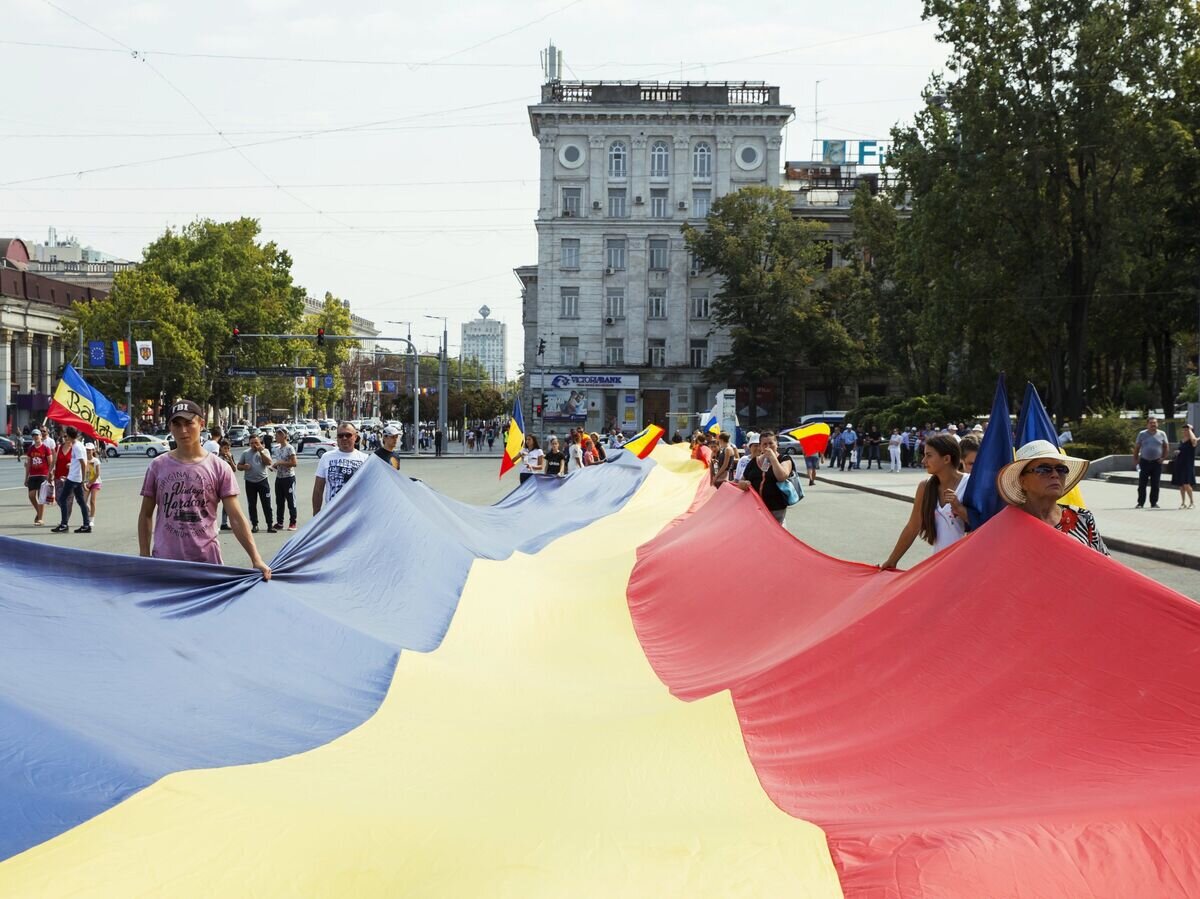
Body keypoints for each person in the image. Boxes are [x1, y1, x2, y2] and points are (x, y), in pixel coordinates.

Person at [138, 400, 270, 577]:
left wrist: (256, 558)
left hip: (208, 565)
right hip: (165, 564)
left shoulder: (219, 467)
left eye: (189, 423)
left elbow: (236, 517)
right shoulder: (157, 466)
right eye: (177, 424)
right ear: (170, 427)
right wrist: (144, 557)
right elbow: (146, 514)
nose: (183, 430)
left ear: (201, 424)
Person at [996, 439, 1107, 554]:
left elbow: (1104, 566)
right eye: (1044, 469)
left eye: (1061, 469)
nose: (1055, 475)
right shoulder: (1005, 525)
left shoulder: (1083, 518)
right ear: (1023, 481)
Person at [879, 435, 967, 569]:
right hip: (939, 565)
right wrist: (892, 560)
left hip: (969, 564)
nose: (923, 460)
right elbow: (913, 527)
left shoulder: (970, 484)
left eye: (929, 455)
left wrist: (958, 508)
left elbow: (983, 525)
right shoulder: (925, 487)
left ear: (946, 459)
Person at [732, 431, 796, 525]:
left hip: (775, 508)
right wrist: (743, 484)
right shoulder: (754, 461)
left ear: (776, 444)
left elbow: (782, 476)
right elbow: (741, 480)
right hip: (755, 507)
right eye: (764, 444)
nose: (768, 446)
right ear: (761, 446)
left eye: (771, 443)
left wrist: (773, 458)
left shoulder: (785, 459)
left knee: (774, 535)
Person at [312, 422, 370, 515]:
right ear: (337, 438)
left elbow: (369, 490)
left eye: (348, 435)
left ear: (355, 437)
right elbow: (318, 489)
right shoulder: (326, 457)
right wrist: (316, 515)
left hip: (355, 515)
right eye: (340, 435)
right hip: (332, 515)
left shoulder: (365, 459)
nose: (344, 438)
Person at [50, 427, 91, 534]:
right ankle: (86, 525)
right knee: (81, 501)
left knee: (62, 499)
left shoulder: (77, 447)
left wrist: (83, 480)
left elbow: (83, 463)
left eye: (66, 435)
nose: (65, 437)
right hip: (75, 477)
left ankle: (64, 524)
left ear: (68, 435)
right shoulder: (79, 445)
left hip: (74, 479)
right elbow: (79, 462)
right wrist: (72, 465)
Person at [238, 435, 276, 533]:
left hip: (262, 481)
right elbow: (238, 466)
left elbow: (268, 462)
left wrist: (261, 452)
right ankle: (255, 525)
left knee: (266, 504)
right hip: (250, 482)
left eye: (256, 443)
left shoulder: (265, 451)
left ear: (260, 443)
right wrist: (244, 467)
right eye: (252, 443)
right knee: (252, 504)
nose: (254, 445)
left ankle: (270, 525)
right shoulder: (245, 453)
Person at [1133, 417, 1170, 509]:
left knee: (1155, 484)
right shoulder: (1142, 434)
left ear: (1157, 424)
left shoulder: (1162, 434)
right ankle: (1140, 503)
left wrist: (1163, 458)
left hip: (1156, 463)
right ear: (1147, 424)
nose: (1153, 424)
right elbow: (1137, 448)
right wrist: (1136, 460)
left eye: (1155, 423)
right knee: (1142, 484)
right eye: (1151, 423)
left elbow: (1166, 447)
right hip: (1144, 462)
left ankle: (1154, 503)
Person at [271, 426, 299, 531]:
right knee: (279, 501)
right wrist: (274, 466)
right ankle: (280, 522)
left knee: (291, 500)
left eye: (279, 434)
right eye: (276, 434)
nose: (276, 436)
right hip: (279, 478)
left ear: (284, 436)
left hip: (289, 478)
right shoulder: (277, 449)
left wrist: (280, 463)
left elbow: (294, 463)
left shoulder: (290, 448)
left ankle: (293, 522)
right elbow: (278, 463)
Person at [23, 428, 52, 526]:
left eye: (37, 435)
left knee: (41, 497)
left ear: (41, 436)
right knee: (31, 496)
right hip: (33, 475)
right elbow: (28, 464)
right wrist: (26, 477)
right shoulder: (31, 449)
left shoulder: (46, 448)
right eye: (33, 435)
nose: (35, 437)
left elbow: (50, 463)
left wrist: (50, 476)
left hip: (43, 475)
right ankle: (38, 512)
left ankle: (40, 519)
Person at [1171, 422, 1197, 509]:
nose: (1185, 431)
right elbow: (1181, 450)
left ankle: (1192, 503)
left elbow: (1194, 441)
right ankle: (1183, 503)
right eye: (1184, 430)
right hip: (1179, 464)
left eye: (1187, 430)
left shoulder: (1193, 441)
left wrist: (1190, 430)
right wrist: (1177, 452)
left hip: (1187, 465)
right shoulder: (1182, 441)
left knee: (1186, 484)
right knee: (1181, 485)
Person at [217, 439, 237, 530]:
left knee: (228, 504)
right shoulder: (217, 457)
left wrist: (230, 459)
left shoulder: (230, 456)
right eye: (225, 448)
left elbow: (234, 469)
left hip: (228, 482)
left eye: (228, 448)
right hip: (218, 482)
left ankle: (224, 523)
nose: (227, 450)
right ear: (220, 448)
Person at [84, 443, 102, 525]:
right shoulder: (84, 460)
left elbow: (97, 473)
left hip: (95, 482)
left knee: (92, 501)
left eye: (89, 450)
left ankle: (92, 519)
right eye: (87, 450)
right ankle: (89, 512)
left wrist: (90, 483)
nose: (88, 451)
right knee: (83, 501)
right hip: (86, 482)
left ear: (93, 450)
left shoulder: (96, 460)